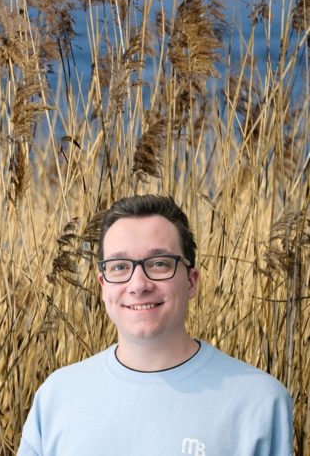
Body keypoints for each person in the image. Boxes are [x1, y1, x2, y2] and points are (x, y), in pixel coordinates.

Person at [18, 194, 293, 455]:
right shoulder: (57, 396)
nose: (138, 285)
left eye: (159, 263)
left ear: (191, 282)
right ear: (103, 285)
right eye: (119, 267)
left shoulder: (258, 401)